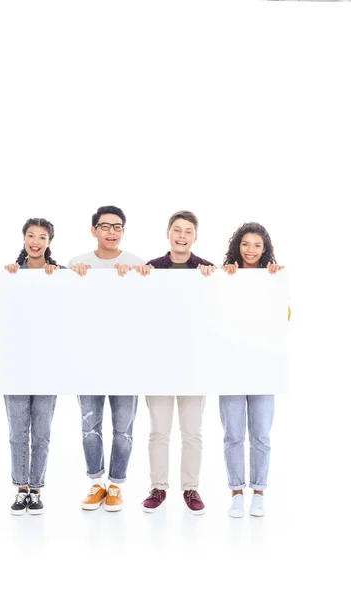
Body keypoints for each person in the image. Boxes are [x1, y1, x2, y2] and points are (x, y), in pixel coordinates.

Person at [136, 210, 215, 515]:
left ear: (195, 236)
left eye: (188, 232)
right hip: (158, 361)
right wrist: (137, 277)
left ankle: (190, 487)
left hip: (194, 362)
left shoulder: (206, 268)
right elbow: (137, 310)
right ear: (168, 233)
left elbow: (220, 310)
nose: (182, 236)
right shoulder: (152, 268)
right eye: (177, 230)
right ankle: (158, 487)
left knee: (192, 431)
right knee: (159, 431)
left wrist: (220, 277)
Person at [68, 206, 144, 512]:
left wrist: (135, 279)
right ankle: (96, 483)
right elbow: (64, 310)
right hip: (87, 359)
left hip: (126, 359)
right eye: (105, 226)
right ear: (93, 230)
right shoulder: (76, 264)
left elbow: (146, 311)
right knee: (90, 425)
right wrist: (73, 280)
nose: (111, 232)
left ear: (123, 231)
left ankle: (116, 485)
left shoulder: (137, 264)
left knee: (123, 428)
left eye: (117, 227)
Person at [220, 222, 285, 518]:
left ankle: (259, 491)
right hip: (230, 365)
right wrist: (222, 279)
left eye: (257, 245)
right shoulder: (224, 276)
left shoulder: (274, 278)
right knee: (233, 433)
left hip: (262, 366)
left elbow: (285, 318)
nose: (251, 250)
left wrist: (277, 285)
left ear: (265, 248)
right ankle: (236, 492)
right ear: (238, 245)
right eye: (245, 244)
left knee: (260, 434)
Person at [4, 217, 65, 515]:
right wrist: (11, 278)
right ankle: (20, 489)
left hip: (48, 367)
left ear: (49, 242)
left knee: (41, 432)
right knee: (18, 432)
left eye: (42, 237)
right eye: (31, 235)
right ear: (24, 238)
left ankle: (36, 489)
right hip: (16, 365)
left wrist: (64, 276)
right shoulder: (12, 274)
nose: (36, 241)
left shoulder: (59, 274)